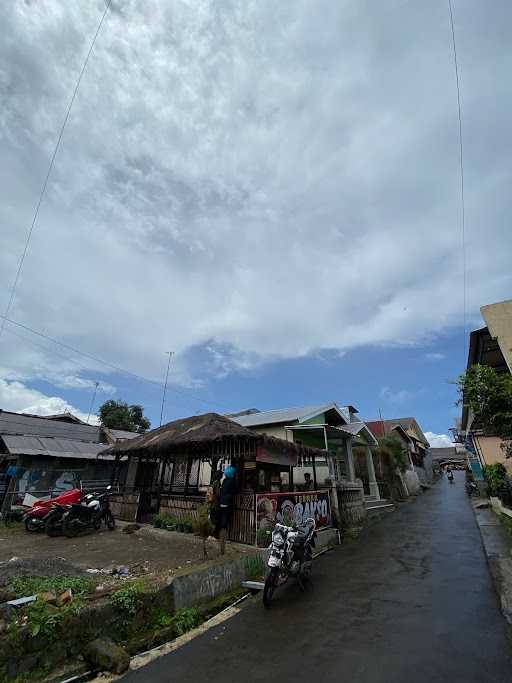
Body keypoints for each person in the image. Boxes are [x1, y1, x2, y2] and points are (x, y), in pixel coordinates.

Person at [217, 465, 237, 554]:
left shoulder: (224, 481)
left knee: (223, 517)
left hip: (222, 501)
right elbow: (235, 491)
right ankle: (225, 535)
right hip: (228, 502)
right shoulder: (233, 481)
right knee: (226, 518)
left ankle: (221, 533)